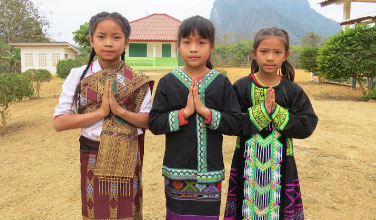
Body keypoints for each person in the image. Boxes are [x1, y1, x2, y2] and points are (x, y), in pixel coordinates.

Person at [53, 12, 153, 220]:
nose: (108, 43)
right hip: (92, 154)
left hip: (126, 154)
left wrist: (120, 112)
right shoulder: (78, 76)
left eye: (116, 37)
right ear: (91, 40)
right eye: (101, 36)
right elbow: (60, 122)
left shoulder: (138, 80)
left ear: (126, 41)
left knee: (128, 211)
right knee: (95, 211)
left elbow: (148, 121)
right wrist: (101, 113)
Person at [148, 15, 241, 219]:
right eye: (187, 42)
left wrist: (206, 112)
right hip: (176, 173)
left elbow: (235, 124)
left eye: (201, 42)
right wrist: (185, 113)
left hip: (210, 174)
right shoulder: (167, 82)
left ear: (212, 46)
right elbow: (154, 123)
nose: (193, 48)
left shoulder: (222, 83)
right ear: (178, 46)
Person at [223, 27, 318, 220]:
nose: (270, 58)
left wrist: (277, 112)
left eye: (277, 52)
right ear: (254, 54)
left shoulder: (292, 90)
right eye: (264, 51)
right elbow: (231, 123)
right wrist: (262, 112)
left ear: (286, 55)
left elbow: (307, 124)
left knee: (280, 210)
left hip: (282, 164)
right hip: (246, 163)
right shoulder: (241, 87)